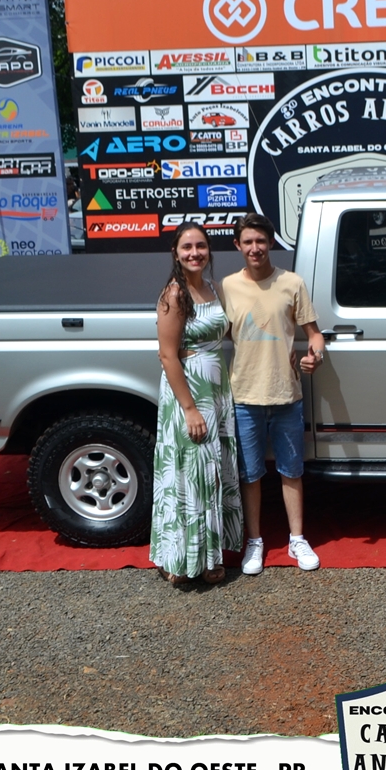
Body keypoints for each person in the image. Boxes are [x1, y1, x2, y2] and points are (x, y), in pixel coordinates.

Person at [219, 213, 326, 575]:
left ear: (271, 243)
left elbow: (314, 334)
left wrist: (315, 357)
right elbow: (216, 334)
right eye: (248, 242)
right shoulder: (227, 287)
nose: (255, 248)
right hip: (244, 397)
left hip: (287, 396)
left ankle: (297, 539)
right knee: (250, 475)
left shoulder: (292, 283)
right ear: (238, 245)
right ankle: (254, 541)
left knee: (291, 472)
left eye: (261, 241)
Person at [151, 222, 243, 586]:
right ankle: (177, 557)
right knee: (188, 473)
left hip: (216, 392)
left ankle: (208, 558)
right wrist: (189, 409)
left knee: (212, 472)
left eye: (200, 246)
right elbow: (167, 355)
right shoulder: (174, 295)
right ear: (175, 253)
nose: (195, 253)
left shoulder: (213, 288)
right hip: (188, 392)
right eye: (187, 247)